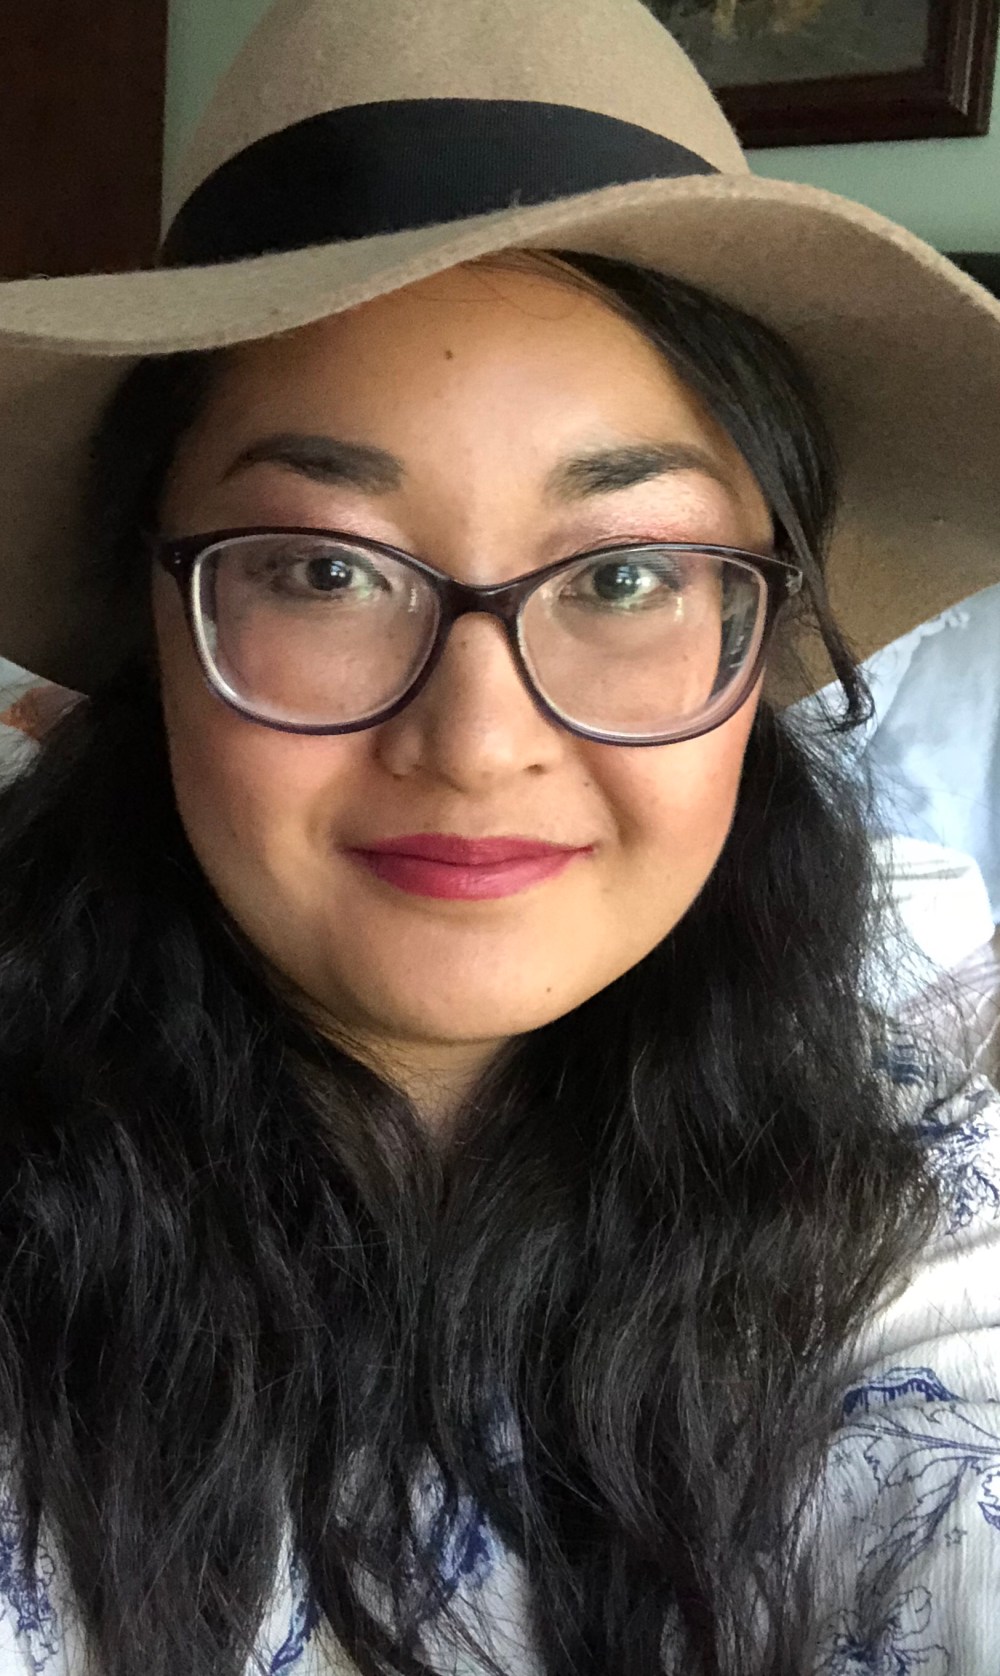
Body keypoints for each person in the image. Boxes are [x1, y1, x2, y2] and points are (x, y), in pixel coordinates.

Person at [0, 0, 999, 1672]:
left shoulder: (918, 1153)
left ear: (758, 637)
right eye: (324, 568)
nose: (474, 745)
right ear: (152, 624)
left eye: (625, 575)